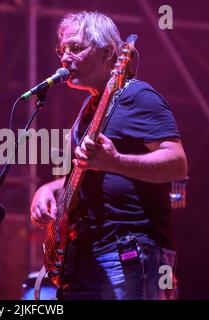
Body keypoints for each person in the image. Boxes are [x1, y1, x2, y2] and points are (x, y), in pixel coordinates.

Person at [30, 11, 188, 300]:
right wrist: (47, 190)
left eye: (76, 48)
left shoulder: (137, 96)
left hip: (128, 252)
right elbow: (85, 172)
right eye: (62, 50)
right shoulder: (87, 112)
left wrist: (116, 161)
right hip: (85, 259)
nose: (65, 58)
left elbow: (177, 164)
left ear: (108, 53)